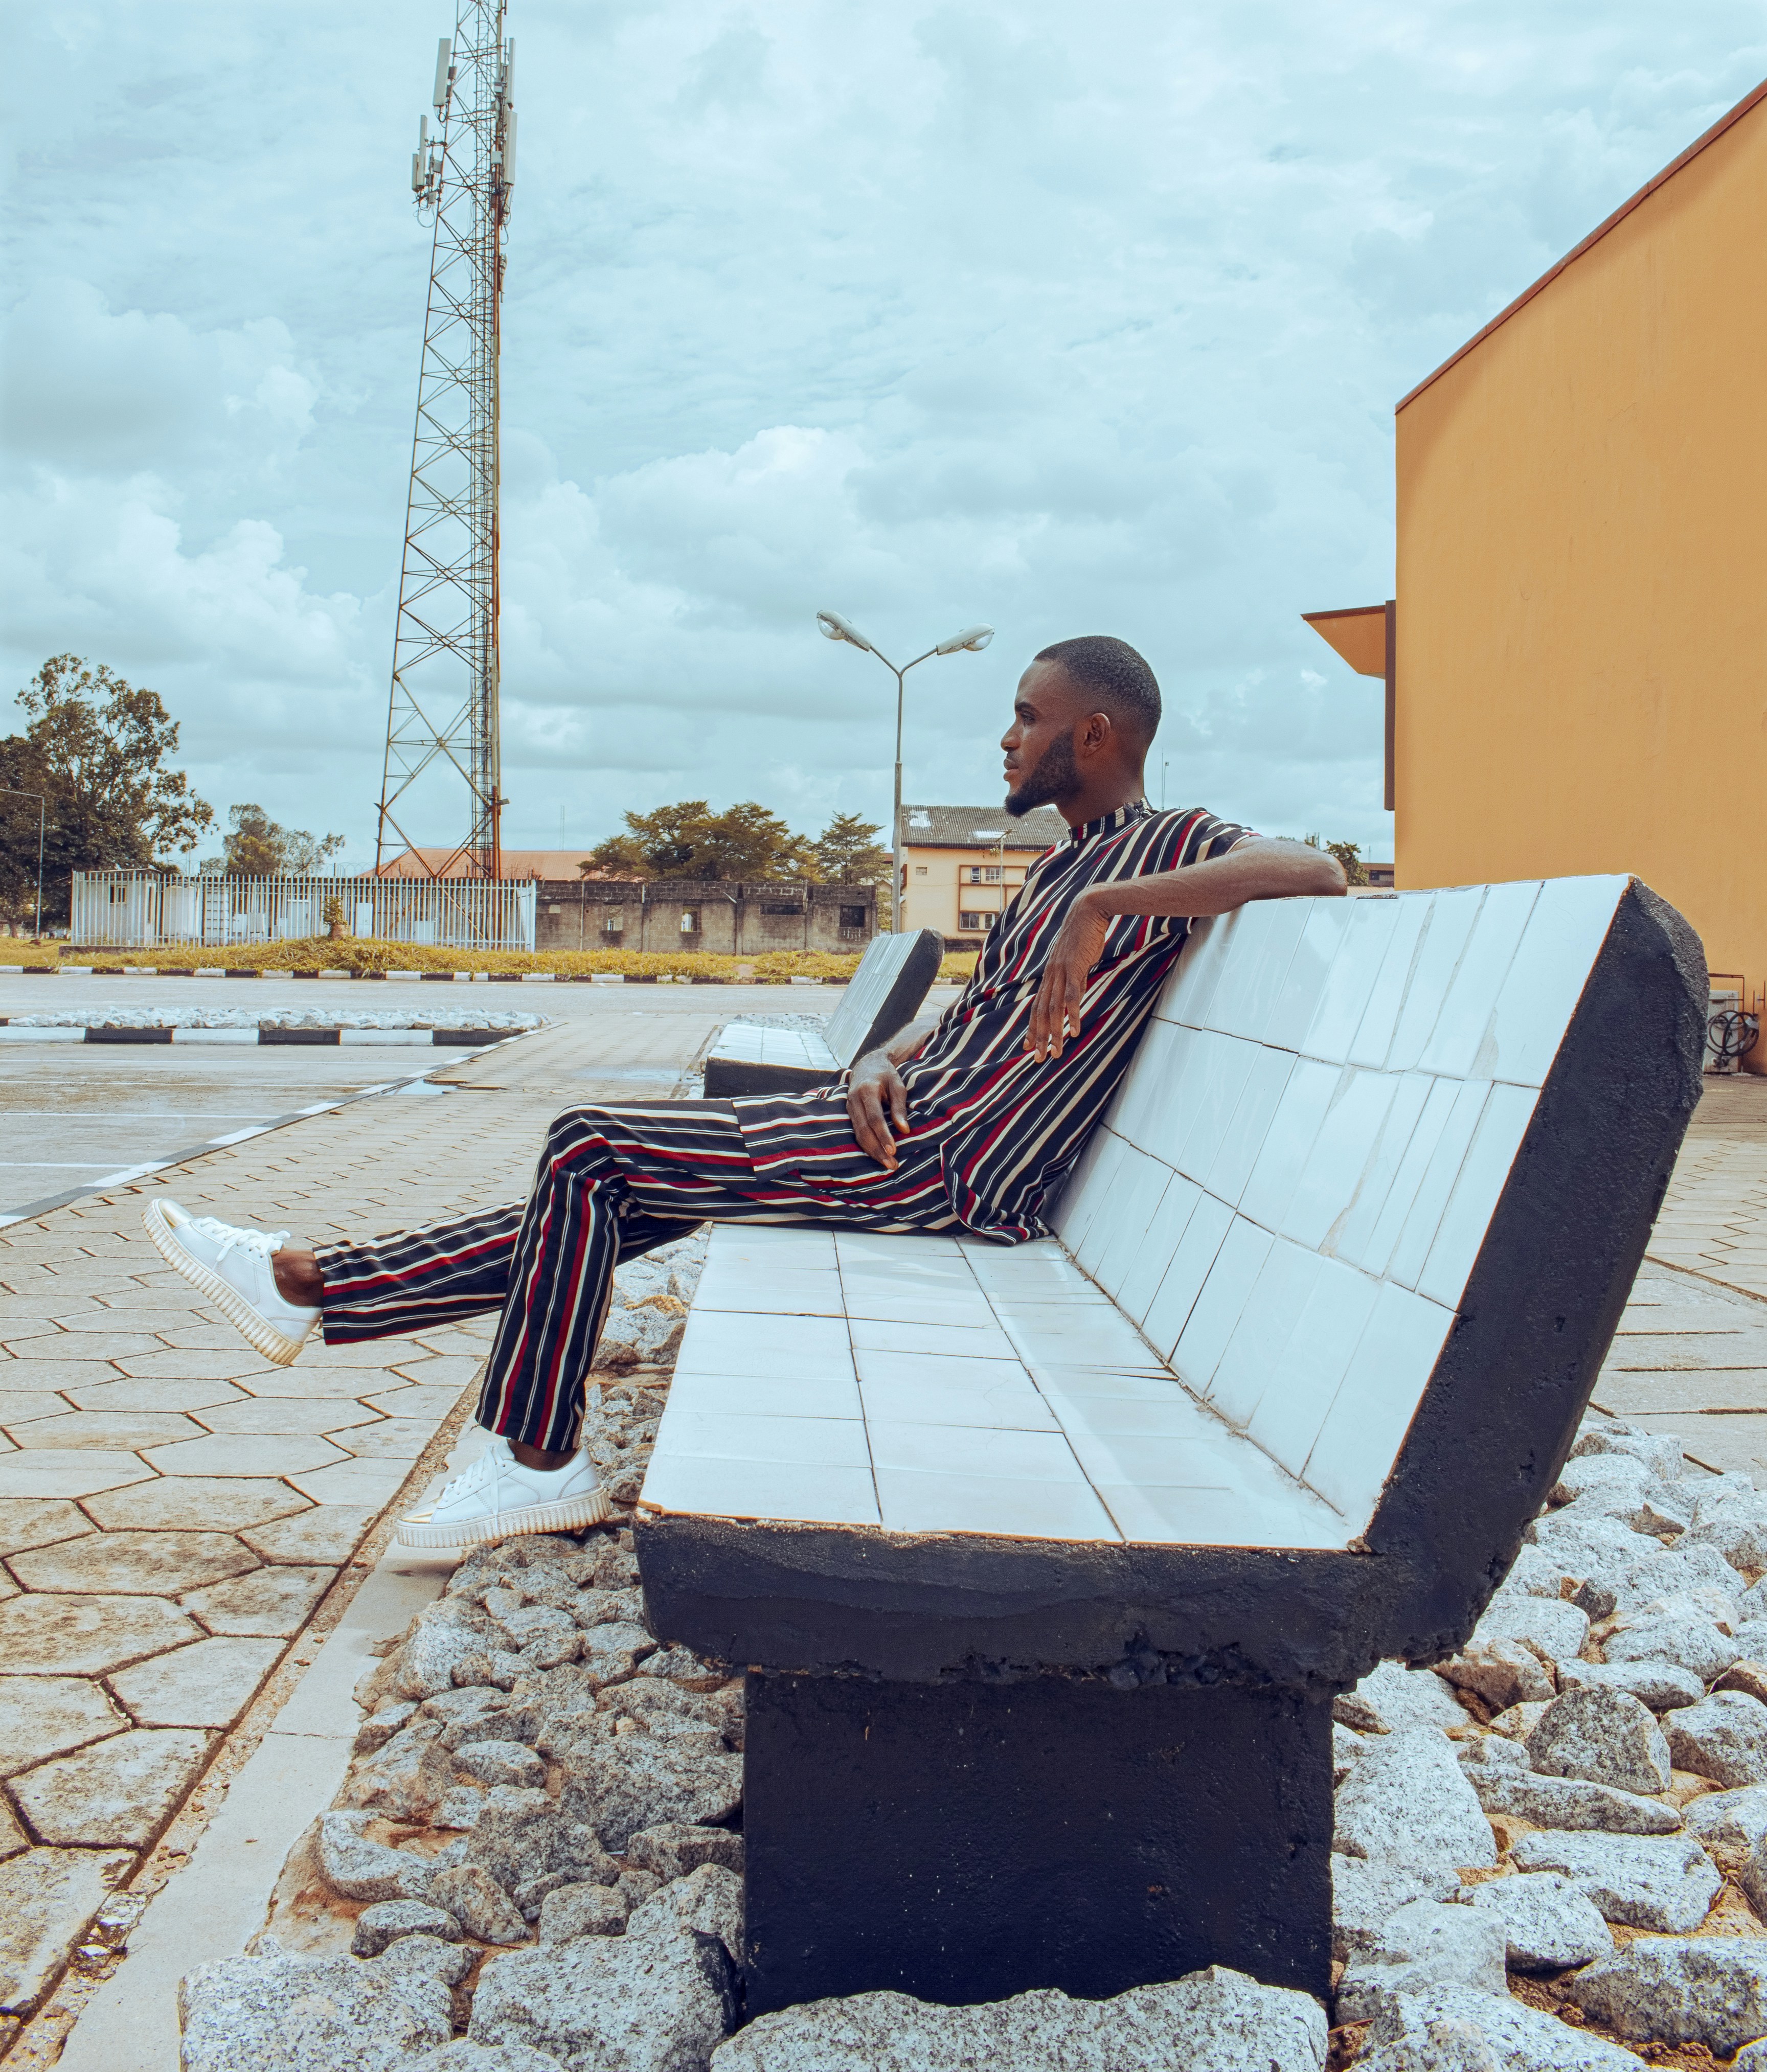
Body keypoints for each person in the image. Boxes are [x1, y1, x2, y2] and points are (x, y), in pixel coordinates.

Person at [144, 636, 1345, 1549]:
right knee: (614, 1191)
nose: (1004, 739)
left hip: (958, 1168)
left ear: (1093, 735)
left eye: (1025, 719)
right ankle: (318, 1289)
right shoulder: (1047, 872)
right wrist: (886, 1055)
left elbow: (1316, 868)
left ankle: (537, 1457)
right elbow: (969, 1023)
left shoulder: (1163, 844)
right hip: (905, 1119)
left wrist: (1106, 911)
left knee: (590, 1147)